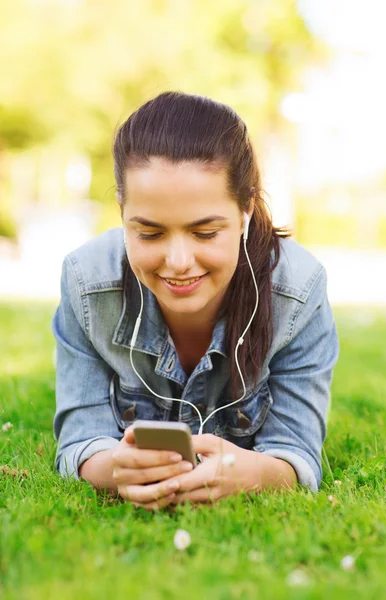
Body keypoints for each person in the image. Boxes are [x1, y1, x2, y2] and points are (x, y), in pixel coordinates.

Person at [52, 91, 339, 511]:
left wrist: (254, 475)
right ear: (122, 212)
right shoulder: (86, 282)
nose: (179, 262)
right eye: (149, 233)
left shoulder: (296, 290)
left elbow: (296, 455)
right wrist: (117, 469)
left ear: (245, 212)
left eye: (205, 233)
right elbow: (80, 441)